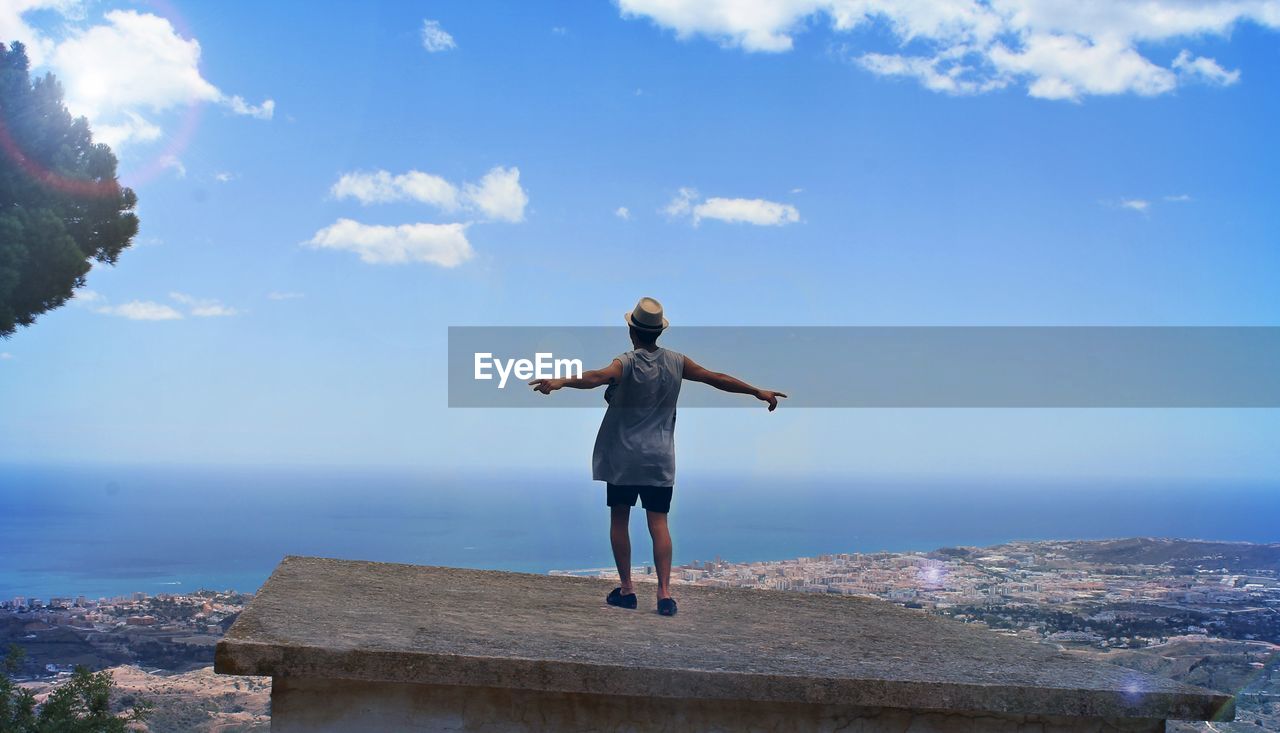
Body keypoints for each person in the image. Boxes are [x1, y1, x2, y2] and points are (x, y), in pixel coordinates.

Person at [530, 297, 786, 616]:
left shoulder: (626, 362)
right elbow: (715, 377)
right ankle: (664, 595)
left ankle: (627, 590)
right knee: (659, 523)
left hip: (623, 456)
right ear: (658, 332)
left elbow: (596, 376)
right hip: (660, 458)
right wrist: (755, 391)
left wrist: (561, 381)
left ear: (631, 330)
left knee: (620, 518)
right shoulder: (678, 362)